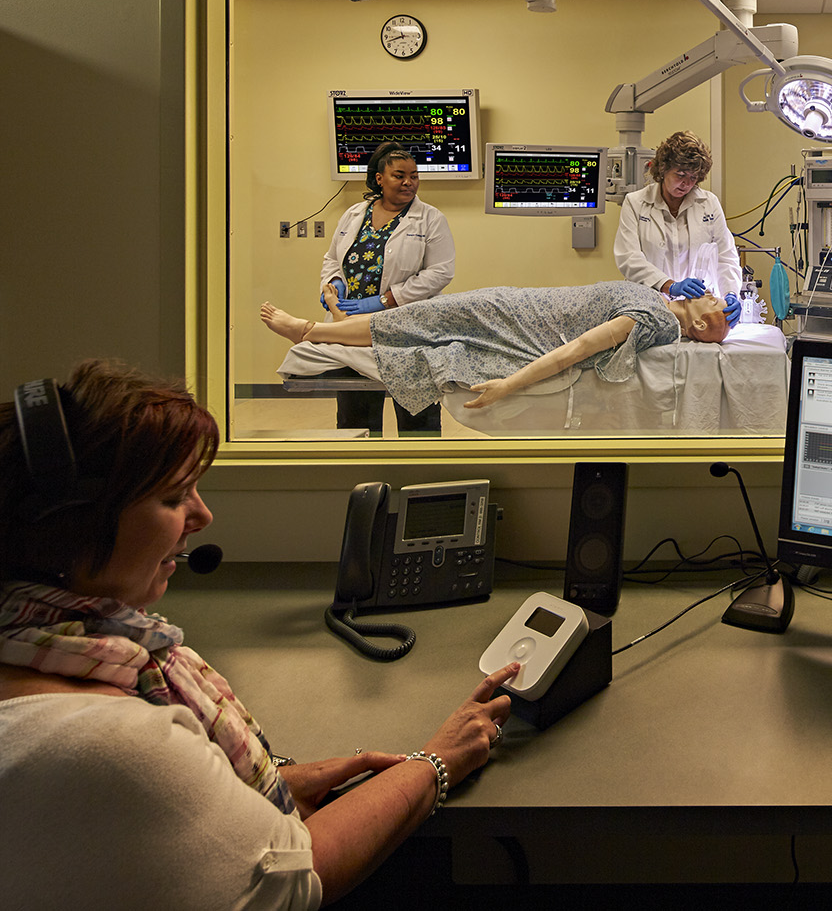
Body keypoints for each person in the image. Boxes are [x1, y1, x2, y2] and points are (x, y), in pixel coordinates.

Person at [0, 361, 518, 908]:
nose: (203, 515)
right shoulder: (115, 746)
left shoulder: (41, 647)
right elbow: (298, 876)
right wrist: (437, 760)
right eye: (175, 498)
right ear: (70, 526)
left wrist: (263, 783)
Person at [262, 280, 728, 415]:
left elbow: (580, 350)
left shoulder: (654, 320)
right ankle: (332, 328)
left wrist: (509, 384)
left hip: (514, 321)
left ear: (705, 322)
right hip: (518, 305)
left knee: (415, 322)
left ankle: (309, 331)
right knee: (414, 322)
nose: (713, 292)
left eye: (716, 303)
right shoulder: (661, 302)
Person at [322, 142, 456, 436]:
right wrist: (334, 283)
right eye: (399, 175)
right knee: (355, 416)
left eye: (414, 175)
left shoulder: (430, 218)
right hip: (352, 326)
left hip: (406, 327)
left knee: (417, 415)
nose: (409, 182)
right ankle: (360, 472)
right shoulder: (354, 214)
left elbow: (441, 271)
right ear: (379, 178)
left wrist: (386, 300)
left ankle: (420, 473)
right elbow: (333, 258)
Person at [614, 130, 744, 325]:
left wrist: (731, 293)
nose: (686, 184)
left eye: (693, 178)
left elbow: (725, 256)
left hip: (699, 310)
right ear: (663, 169)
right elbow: (628, 258)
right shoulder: (636, 203)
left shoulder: (709, 203)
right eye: (681, 175)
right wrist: (669, 286)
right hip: (650, 306)